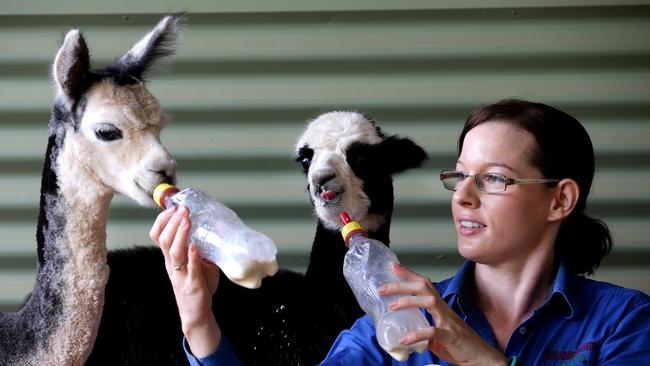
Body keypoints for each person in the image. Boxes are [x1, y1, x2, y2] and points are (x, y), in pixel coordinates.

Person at [149, 98, 650, 365]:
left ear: (559, 199)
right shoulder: (393, 325)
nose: (464, 196)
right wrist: (199, 325)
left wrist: (476, 357)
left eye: (493, 178)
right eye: (459, 176)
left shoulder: (624, 324)